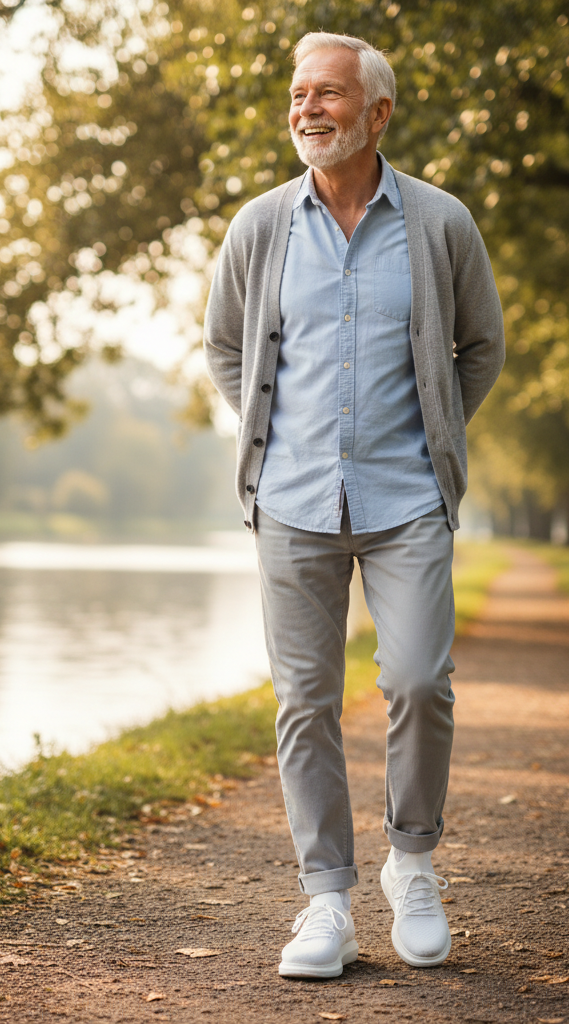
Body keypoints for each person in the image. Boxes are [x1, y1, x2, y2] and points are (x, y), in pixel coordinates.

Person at [203, 32, 504, 979]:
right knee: (306, 703)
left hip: (408, 494)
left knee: (418, 680)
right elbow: (225, 349)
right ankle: (325, 898)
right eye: (298, 96)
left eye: (328, 95)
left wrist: (437, 439)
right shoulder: (259, 226)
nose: (307, 111)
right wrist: (268, 438)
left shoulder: (442, 222)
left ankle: (411, 864)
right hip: (290, 501)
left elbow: (480, 347)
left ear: (377, 113)